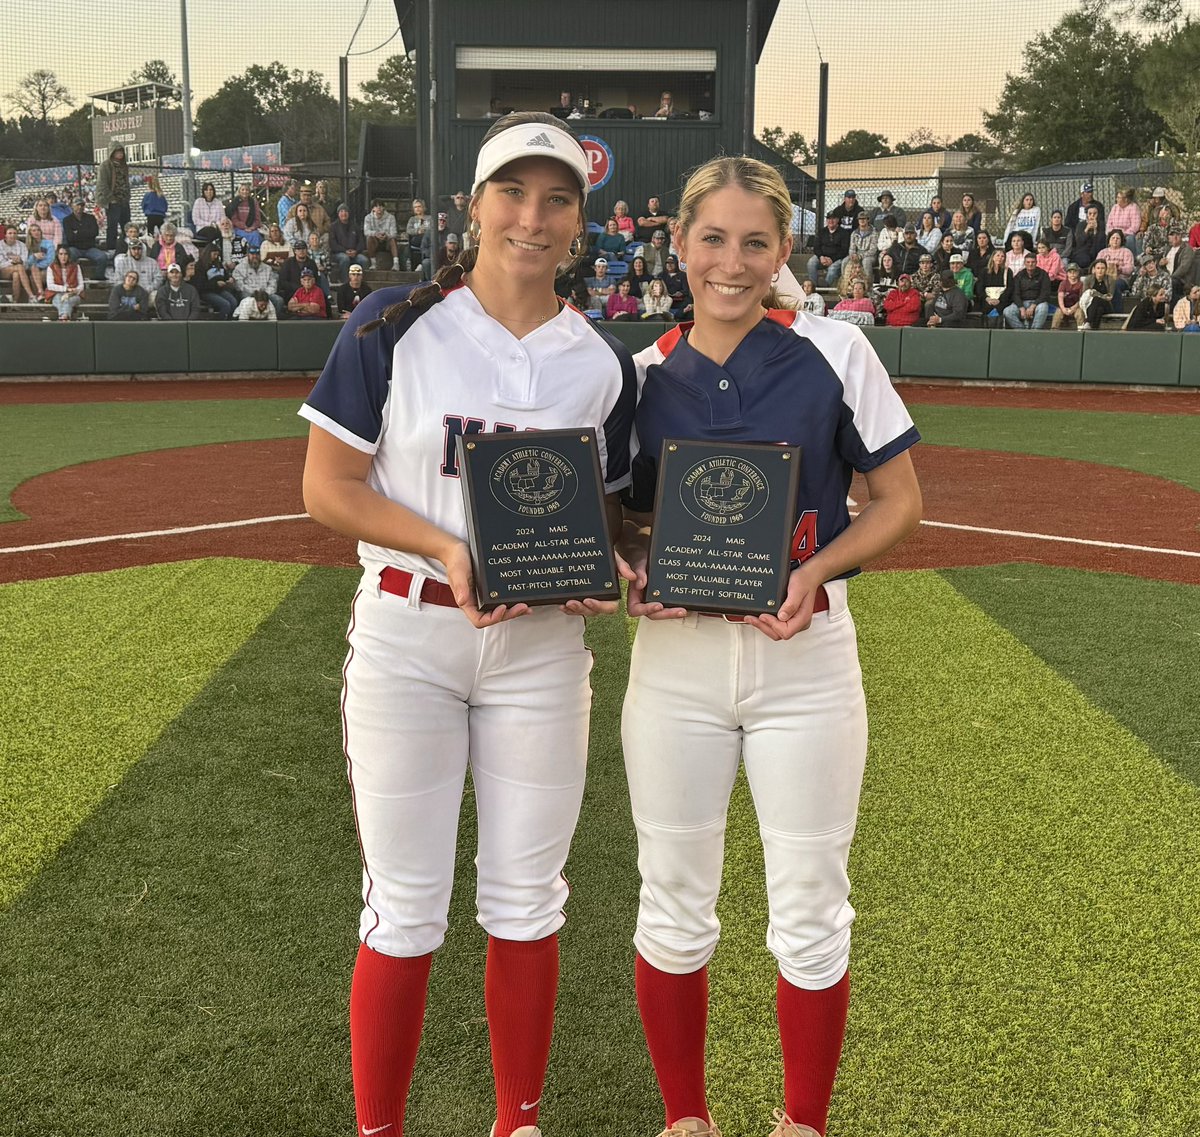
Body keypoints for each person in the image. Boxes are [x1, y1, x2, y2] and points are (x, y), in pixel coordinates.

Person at [298, 110, 635, 1137]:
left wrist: (603, 568)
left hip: (540, 650)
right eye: (513, 193)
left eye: (557, 199)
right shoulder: (392, 325)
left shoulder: (600, 363)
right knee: (403, 907)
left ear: (580, 220)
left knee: (529, 900)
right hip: (412, 638)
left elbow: (608, 516)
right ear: (475, 205)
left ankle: (516, 1122)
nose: (532, 218)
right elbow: (328, 487)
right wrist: (446, 548)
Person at [618, 153, 921, 1137]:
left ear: (784, 249)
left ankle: (801, 1123)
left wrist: (815, 570)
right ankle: (685, 1122)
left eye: (755, 242)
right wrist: (633, 569)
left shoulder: (836, 351)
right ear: (679, 244)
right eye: (713, 238)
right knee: (672, 900)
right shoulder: (640, 376)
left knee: (811, 906)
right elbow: (622, 524)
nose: (733, 261)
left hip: (806, 660)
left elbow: (900, 501)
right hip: (677, 667)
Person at [97, 142, 131, 252]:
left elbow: (126, 182)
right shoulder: (105, 165)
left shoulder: (124, 166)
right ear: (112, 153)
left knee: (127, 226)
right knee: (112, 226)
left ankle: (126, 247)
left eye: (121, 151)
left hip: (123, 199)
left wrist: (127, 196)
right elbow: (102, 184)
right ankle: (111, 248)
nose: (120, 154)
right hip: (113, 201)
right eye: (117, 151)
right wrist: (111, 198)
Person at [1004, 252, 1052, 328]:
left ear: (1036, 262)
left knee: (1043, 308)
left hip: (1038, 303)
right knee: (1007, 311)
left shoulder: (1043, 274)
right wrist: (1021, 307)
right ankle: (1021, 330)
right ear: (1024, 263)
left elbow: (1045, 293)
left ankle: (1034, 332)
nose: (1030, 264)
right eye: (1028, 262)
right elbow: (1015, 294)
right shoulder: (1019, 275)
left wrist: (1033, 305)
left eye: (1033, 262)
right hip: (1022, 302)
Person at [63, 199, 107, 279]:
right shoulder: (67, 220)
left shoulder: (91, 218)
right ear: (73, 206)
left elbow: (95, 233)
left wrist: (77, 232)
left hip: (89, 248)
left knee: (102, 257)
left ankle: (98, 278)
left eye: (82, 205)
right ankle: (71, 278)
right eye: (77, 205)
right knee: (70, 255)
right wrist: (86, 233)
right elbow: (70, 237)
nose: (80, 207)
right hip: (75, 248)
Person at [232, 246, 282, 315]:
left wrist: (265, 294)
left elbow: (273, 284)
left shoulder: (267, 268)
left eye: (257, 254)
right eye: (252, 254)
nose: (255, 256)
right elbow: (239, 286)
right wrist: (255, 293)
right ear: (247, 255)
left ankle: (273, 322)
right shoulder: (240, 268)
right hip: (249, 293)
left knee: (278, 300)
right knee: (247, 300)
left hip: (265, 293)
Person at [196, 243, 239, 319]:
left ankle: (230, 321)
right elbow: (200, 285)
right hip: (206, 292)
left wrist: (229, 279)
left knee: (233, 302)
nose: (216, 257)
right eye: (214, 254)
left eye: (217, 255)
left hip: (219, 290)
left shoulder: (218, 263)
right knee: (225, 305)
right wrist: (215, 284)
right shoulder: (200, 266)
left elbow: (225, 275)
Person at [807, 212, 850, 287]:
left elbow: (844, 250)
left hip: (837, 259)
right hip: (822, 257)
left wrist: (832, 259)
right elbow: (816, 247)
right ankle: (813, 287)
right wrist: (821, 256)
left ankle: (825, 287)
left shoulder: (844, 233)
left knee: (832, 269)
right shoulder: (822, 232)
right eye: (829, 219)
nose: (831, 221)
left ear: (837, 220)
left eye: (833, 219)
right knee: (811, 263)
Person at [114, 238, 162, 302]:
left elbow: (158, 278)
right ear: (129, 250)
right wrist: (129, 290)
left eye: (139, 249)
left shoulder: (152, 262)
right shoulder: (122, 263)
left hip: (147, 293)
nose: (136, 251)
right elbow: (118, 280)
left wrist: (149, 289)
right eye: (134, 249)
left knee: (156, 295)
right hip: (128, 294)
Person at [1096, 230, 1133, 310]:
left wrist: (1119, 268)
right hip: (1104, 278)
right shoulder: (1102, 252)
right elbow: (1095, 267)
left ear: (1121, 240)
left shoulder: (1126, 252)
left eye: (1118, 238)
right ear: (1109, 240)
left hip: (1121, 279)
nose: (1115, 240)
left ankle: (1117, 312)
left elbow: (1130, 270)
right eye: (1113, 238)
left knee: (1114, 284)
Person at [331, 204, 370, 280]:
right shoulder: (333, 227)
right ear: (338, 214)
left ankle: (361, 281)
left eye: (345, 211)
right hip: (339, 253)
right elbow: (333, 244)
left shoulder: (355, 226)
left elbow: (361, 242)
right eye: (341, 211)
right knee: (345, 259)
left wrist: (356, 251)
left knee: (364, 260)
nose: (344, 213)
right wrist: (345, 251)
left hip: (355, 253)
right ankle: (345, 281)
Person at [46, 246, 85, 321]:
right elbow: (50, 286)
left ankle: (62, 318)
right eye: (61, 254)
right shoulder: (51, 268)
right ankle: (65, 317)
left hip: (73, 295)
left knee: (67, 300)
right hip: (57, 294)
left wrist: (75, 290)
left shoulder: (76, 267)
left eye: (65, 254)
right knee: (61, 299)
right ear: (57, 255)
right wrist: (66, 289)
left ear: (69, 255)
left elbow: (81, 285)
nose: (63, 257)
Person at [1, 225, 36, 303]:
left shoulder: (22, 245)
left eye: (14, 233)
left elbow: (26, 263)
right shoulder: (0, 245)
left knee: (16, 275)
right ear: (5, 235)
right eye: (10, 233)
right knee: (19, 267)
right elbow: (1, 264)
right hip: (3, 271)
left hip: (19, 271)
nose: (12, 235)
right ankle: (31, 295)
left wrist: (20, 260)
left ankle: (15, 301)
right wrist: (12, 262)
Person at [1163, 226, 1198, 303]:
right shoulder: (1167, 249)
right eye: (1172, 235)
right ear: (1169, 237)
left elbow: (1183, 268)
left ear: (1181, 236)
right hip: (1167, 277)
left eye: (1177, 235)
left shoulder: (1187, 249)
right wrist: (1160, 264)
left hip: (1182, 280)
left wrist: (1169, 278)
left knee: (1172, 283)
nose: (1175, 237)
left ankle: (1173, 308)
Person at [977, 249, 1012, 323]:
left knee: (1001, 309)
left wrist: (999, 300)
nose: (1000, 258)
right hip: (986, 300)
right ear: (993, 257)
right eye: (998, 255)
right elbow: (979, 288)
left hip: (1002, 300)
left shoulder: (1008, 272)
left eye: (1002, 256)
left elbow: (1010, 288)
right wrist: (987, 299)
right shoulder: (984, 271)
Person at [1079, 259, 1115, 329]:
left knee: (1096, 299)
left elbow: (1109, 297)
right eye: (1098, 268)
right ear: (1094, 269)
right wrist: (1102, 296)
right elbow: (1085, 295)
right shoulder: (1088, 279)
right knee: (1099, 310)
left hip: (1107, 306)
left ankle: (1088, 322)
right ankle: (1094, 330)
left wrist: (1096, 294)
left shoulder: (1110, 279)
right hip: (1090, 306)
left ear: (1106, 270)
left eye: (1102, 268)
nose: (1100, 270)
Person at [26, 223, 55, 301]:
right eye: (34, 230)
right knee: (33, 273)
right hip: (33, 271)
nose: (36, 232)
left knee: (34, 272)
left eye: (38, 230)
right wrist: (34, 256)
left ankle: (39, 295)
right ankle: (40, 295)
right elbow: (26, 263)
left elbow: (50, 260)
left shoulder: (48, 243)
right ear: (30, 233)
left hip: (47, 269)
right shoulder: (28, 246)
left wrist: (37, 265)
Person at [1071, 205, 1105, 271]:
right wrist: (1086, 229)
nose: (1092, 216)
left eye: (1094, 214)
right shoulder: (1081, 225)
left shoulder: (1101, 225)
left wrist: (1095, 230)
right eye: (1090, 213)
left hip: (1095, 249)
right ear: (1087, 214)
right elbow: (1079, 242)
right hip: (1083, 250)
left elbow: (1101, 242)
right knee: (1084, 259)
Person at [1107, 188, 1140, 255]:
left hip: (1126, 234)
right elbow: (1109, 223)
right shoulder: (1115, 207)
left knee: (1129, 239)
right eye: (1117, 197)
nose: (1117, 199)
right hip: (1114, 232)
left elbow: (1135, 226)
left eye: (1119, 198)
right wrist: (1111, 232)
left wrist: (1123, 234)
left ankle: (1132, 260)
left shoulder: (1133, 207)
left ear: (1126, 199)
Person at [1051, 263, 1085, 329]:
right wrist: (1063, 308)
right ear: (1067, 273)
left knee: (1080, 314)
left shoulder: (1081, 284)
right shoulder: (1063, 283)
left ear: (1078, 273)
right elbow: (1060, 297)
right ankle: (1053, 332)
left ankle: (1081, 331)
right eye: (1070, 272)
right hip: (1064, 306)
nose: (1072, 274)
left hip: (1077, 306)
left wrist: (1074, 308)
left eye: (1074, 272)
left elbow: (1082, 299)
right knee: (1058, 313)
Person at [849, 211, 878, 281]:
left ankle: (868, 285)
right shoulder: (854, 233)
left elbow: (873, 250)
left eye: (864, 219)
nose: (862, 220)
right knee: (845, 262)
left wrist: (860, 256)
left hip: (870, 256)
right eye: (860, 219)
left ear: (868, 220)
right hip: (857, 254)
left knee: (866, 262)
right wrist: (853, 255)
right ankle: (846, 285)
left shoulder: (874, 232)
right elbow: (852, 248)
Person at [405, 199, 430, 271]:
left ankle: (422, 264)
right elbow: (408, 230)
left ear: (424, 207)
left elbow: (433, 228)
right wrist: (417, 231)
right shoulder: (412, 219)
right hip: (416, 239)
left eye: (419, 206)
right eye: (415, 207)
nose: (417, 209)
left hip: (427, 239)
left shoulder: (430, 218)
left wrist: (425, 231)